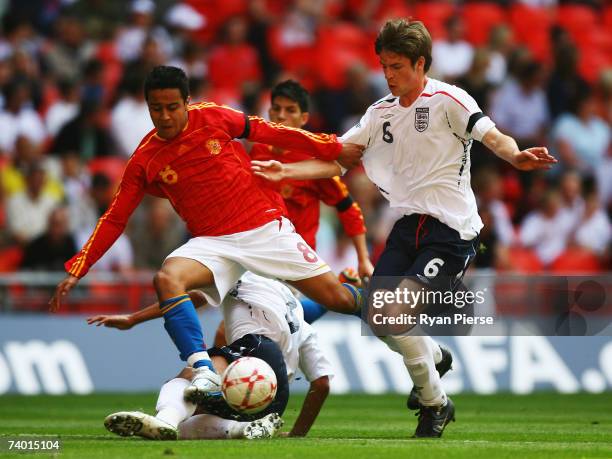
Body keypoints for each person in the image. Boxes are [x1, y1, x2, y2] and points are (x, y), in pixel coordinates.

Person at [252, 19, 556, 438]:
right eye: (384, 65)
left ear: (420, 63)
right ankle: (435, 356)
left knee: (395, 312)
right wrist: (283, 169)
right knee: (378, 316)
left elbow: (491, 135)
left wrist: (516, 155)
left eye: (396, 66)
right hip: (408, 226)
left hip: (452, 232)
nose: (388, 74)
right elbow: (338, 160)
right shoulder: (380, 113)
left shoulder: (450, 99)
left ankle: (435, 405)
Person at [49, 66, 363, 408]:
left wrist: (332, 146)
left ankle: (375, 299)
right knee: (168, 278)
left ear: (186, 102)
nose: (165, 116)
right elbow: (115, 217)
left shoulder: (213, 116)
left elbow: (267, 131)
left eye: (172, 107)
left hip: (263, 227)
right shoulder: (144, 159)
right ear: (148, 107)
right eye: (157, 108)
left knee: (339, 300)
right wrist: (79, 267)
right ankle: (202, 369)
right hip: (213, 243)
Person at [88, 271, 332, 440]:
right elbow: (321, 384)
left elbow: (186, 299)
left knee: (193, 375)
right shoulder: (300, 316)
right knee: (194, 419)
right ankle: (241, 429)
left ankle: (165, 418)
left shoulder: (244, 274)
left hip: (257, 352)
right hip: (274, 400)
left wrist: (133, 319)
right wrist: (297, 434)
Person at [251, 79, 373, 278]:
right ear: (269, 112)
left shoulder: (314, 162)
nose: (281, 116)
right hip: (261, 254)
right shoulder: (258, 151)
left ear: (304, 118)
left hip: (298, 262)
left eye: (290, 110)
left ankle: (350, 293)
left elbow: (347, 207)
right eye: (276, 108)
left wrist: (363, 259)